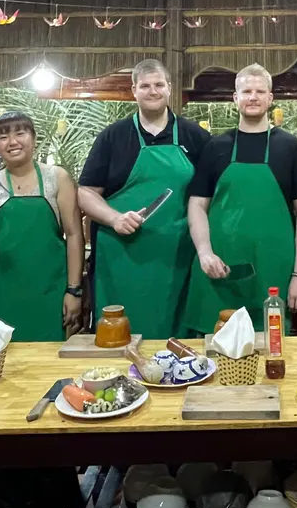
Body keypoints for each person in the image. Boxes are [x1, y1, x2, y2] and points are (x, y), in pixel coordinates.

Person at [78, 60, 210, 338]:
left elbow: (210, 195)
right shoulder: (112, 137)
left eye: (159, 85)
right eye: (146, 86)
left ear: (169, 89)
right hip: (121, 259)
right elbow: (86, 192)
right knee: (118, 337)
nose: (153, 91)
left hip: (177, 258)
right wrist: (115, 218)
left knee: (176, 337)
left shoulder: (195, 137)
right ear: (134, 91)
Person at [182, 64, 297, 332]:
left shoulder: (290, 147)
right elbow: (197, 204)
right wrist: (205, 252)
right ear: (235, 98)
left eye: (259, 91)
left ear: (270, 98)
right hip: (219, 270)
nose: (253, 97)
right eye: (246, 91)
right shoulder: (216, 147)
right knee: (215, 346)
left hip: (274, 270)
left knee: (272, 345)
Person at [0, 111, 85, 340]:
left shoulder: (57, 178)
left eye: (20, 133)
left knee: (45, 365)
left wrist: (73, 290)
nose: (13, 142)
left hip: (47, 293)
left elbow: (74, 236)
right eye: (3, 137)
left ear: (34, 138)